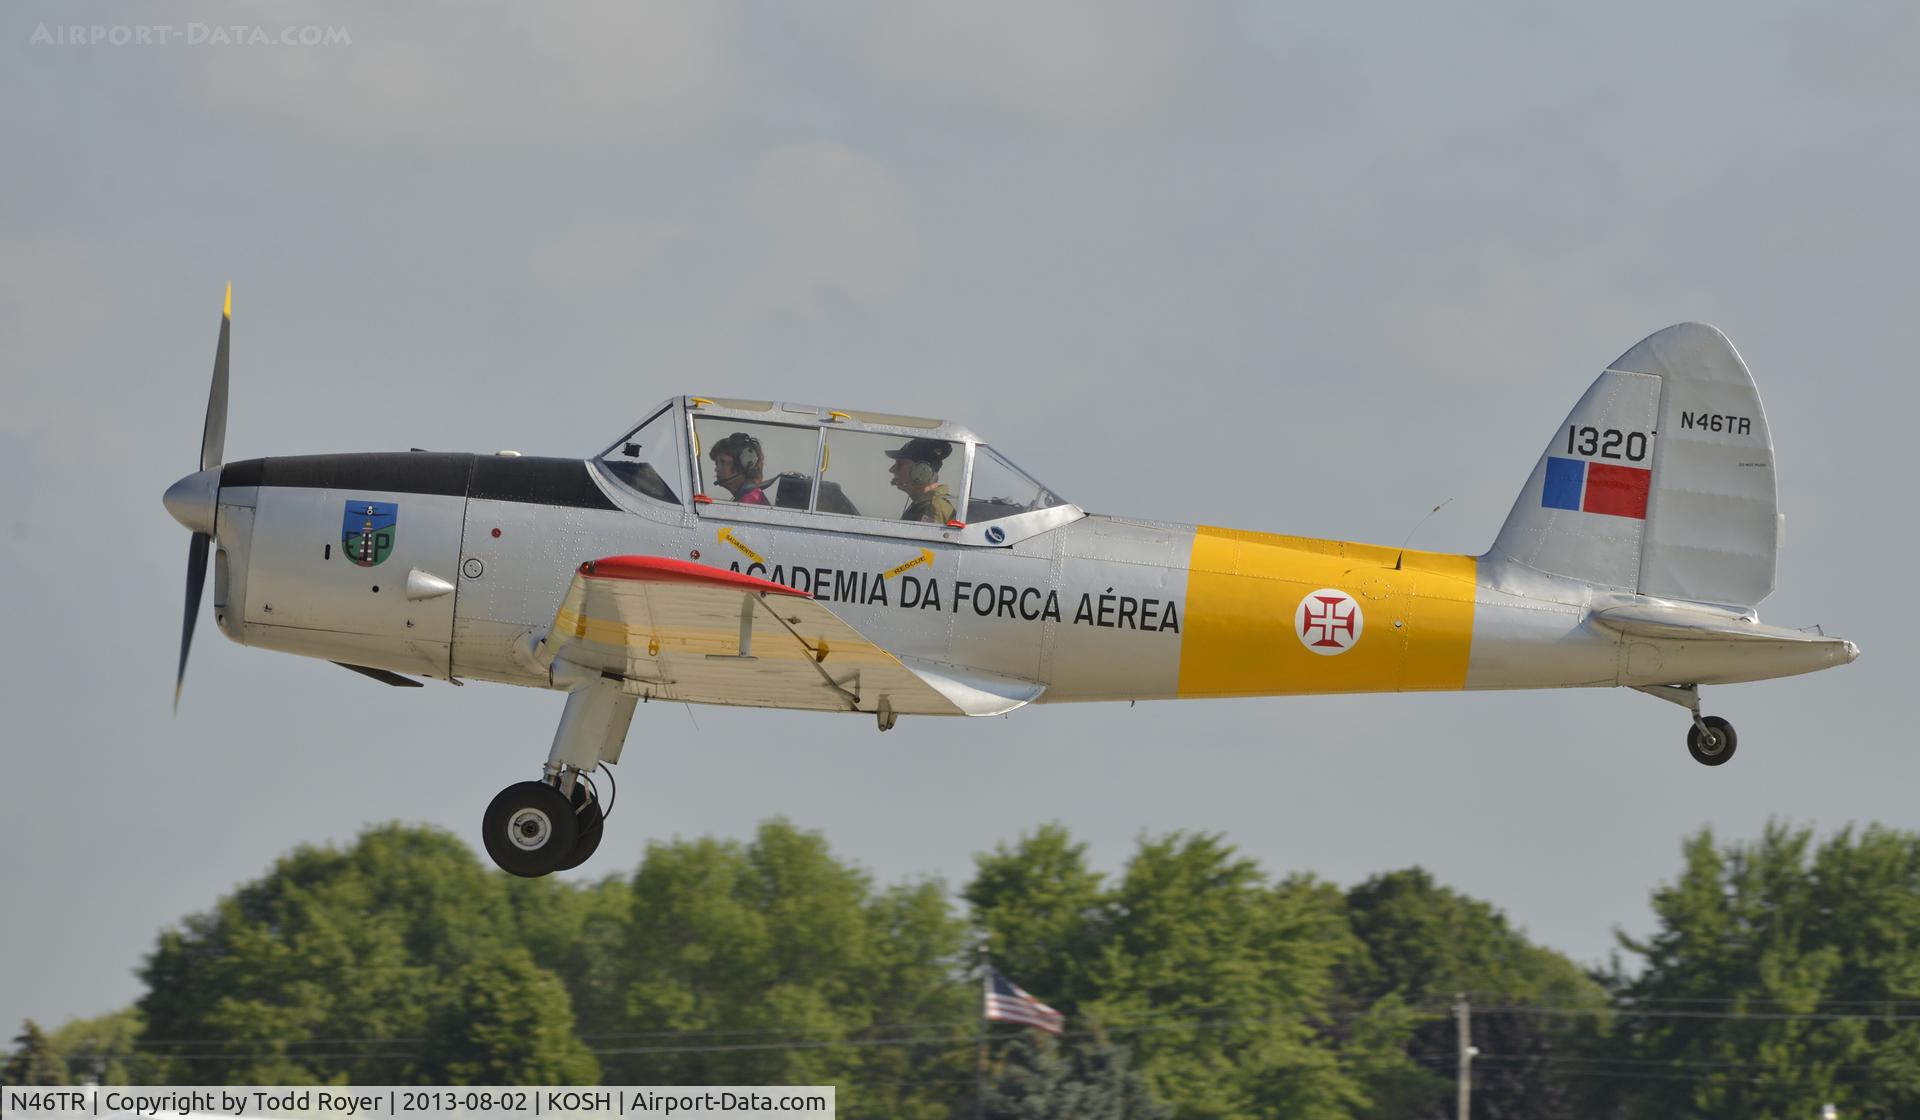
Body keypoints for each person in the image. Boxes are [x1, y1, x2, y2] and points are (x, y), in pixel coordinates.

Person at [886, 437, 956, 523]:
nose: (892, 469)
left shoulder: (932, 508)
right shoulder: (923, 504)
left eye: (900, 464)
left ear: (921, 471)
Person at [708, 431, 770, 505]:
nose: (717, 469)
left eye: (723, 462)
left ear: (744, 465)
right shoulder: (748, 496)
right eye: (716, 463)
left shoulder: (750, 501)